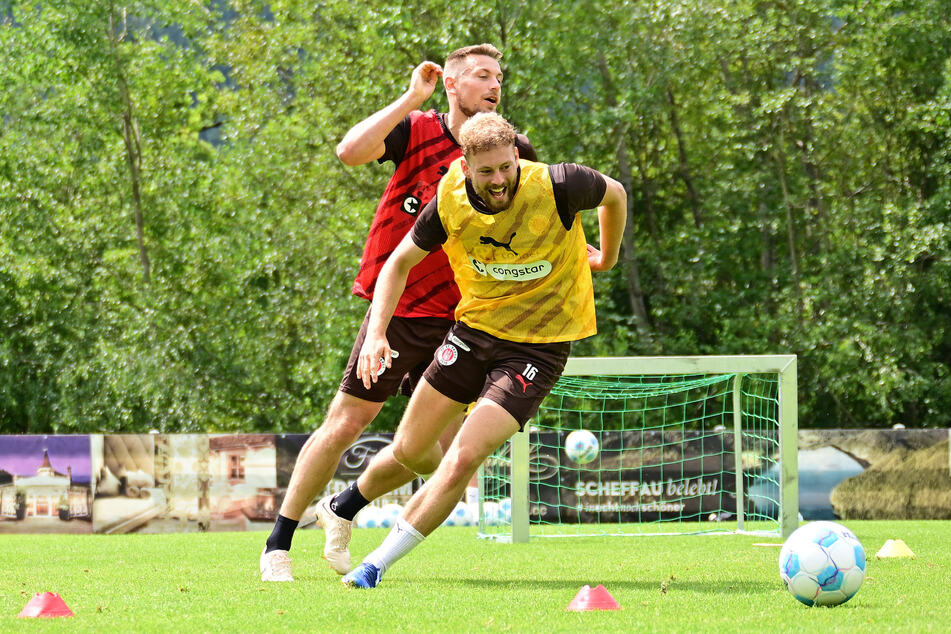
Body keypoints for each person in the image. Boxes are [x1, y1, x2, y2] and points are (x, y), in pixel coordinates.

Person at [260, 44, 538, 581]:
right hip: (401, 310)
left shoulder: (510, 151)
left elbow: (530, 220)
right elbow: (349, 152)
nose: (494, 84)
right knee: (346, 423)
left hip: (463, 319)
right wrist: (412, 96)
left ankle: (343, 505)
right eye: (482, 75)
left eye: (499, 77)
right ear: (452, 85)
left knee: (433, 454)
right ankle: (278, 544)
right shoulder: (416, 129)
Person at [340, 112, 626, 588]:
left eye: (506, 168)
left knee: (464, 454)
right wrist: (375, 335)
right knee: (411, 450)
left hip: (538, 348)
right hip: (472, 334)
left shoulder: (560, 185)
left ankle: (374, 565)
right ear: (466, 165)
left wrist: (608, 256)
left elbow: (614, 192)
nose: (499, 181)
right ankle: (346, 504)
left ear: (516, 156)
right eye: (487, 171)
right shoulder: (449, 200)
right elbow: (397, 264)